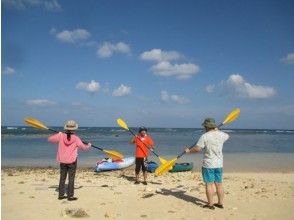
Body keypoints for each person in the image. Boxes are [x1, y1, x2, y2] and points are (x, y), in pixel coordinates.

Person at [185, 118, 229, 210]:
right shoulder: (222, 135)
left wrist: (189, 151)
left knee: (209, 184)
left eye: (205, 126)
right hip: (219, 164)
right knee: (219, 184)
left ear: (206, 126)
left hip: (209, 164)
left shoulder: (205, 136)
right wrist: (218, 130)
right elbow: (227, 136)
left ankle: (210, 204)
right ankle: (220, 203)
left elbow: (197, 149)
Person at [48, 120, 91, 201]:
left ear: (66, 128)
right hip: (72, 161)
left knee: (62, 178)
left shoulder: (61, 136)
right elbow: (83, 148)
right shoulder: (76, 138)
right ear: (74, 129)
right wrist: (89, 145)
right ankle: (70, 196)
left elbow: (50, 139)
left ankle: (61, 195)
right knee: (71, 178)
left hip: (62, 161)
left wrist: (59, 134)